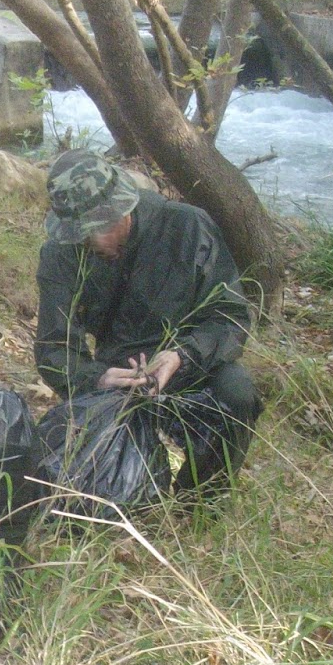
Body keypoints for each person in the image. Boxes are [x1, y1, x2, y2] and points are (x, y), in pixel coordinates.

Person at [35, 149, 262, 500]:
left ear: (123, 209)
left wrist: (182, 356)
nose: (93, 243)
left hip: (187, 365)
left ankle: (199, 500)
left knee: (237, 391)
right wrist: (95, 378)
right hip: (117, 376)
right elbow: (54, 348)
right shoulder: (61, 254)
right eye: (81, 235)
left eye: (100, 229)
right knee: (93, 482)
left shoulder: (187, 227)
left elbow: (230, 318)